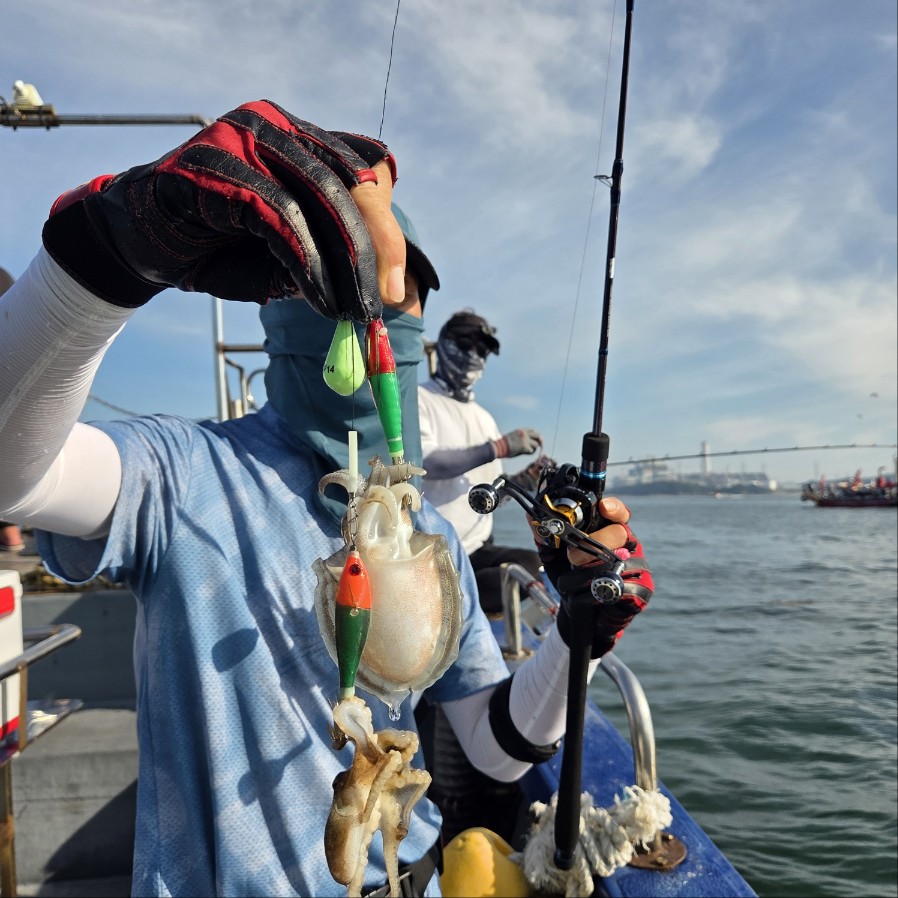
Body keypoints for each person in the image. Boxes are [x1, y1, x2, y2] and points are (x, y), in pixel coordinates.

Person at [0, 100, 653, 897]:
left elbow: (494, 747)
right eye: (336, 284)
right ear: (272, 302)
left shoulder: (430, 537)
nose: (375, 311)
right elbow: (14, 474)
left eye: (399, 294)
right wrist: (108, 253)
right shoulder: (180, 474)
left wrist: (576, 639)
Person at [418, 311, 546, 617]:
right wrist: (499, 447)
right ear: (445, 344)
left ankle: (452, 606)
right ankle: (441, 606)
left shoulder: (485, 418)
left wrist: (524, 482)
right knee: (508, 581)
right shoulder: (419, 398)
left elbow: (488, 497)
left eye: (483, 350)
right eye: (467, 344)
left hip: (476, 550)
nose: (475, 355)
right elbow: (426, 463)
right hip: (431, 553)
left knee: (535, 567)